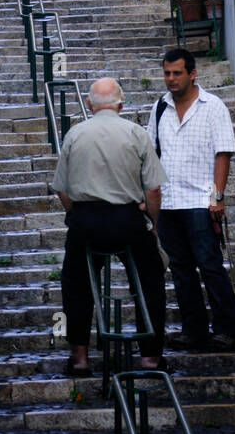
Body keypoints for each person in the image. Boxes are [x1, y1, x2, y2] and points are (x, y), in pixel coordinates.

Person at [52, 77, 168, 376]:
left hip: (86, 221)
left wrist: (75, 213)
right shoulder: (136, 133)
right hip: (127, 219)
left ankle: (79, 357)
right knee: (149, 281)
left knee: (75, 283)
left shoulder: (75, 134)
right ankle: (151, 357)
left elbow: (62, 188)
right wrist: (152, 224)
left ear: (89, 105)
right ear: (122, 104)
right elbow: (153, 190)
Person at [146, 48, 235, 352]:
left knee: (210, 265)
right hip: (169, 201)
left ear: (192, 74)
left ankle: (226, 329)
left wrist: (218, 197)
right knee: (181, 269)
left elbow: (223, 152)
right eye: (167, 73)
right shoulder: (159, 107)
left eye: (177, 73)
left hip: (201, 200)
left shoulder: (212, 106)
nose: (171, 79)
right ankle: (193, 330)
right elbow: (151, 152)